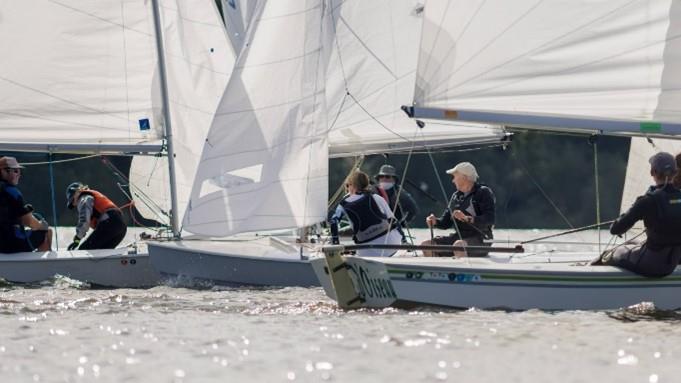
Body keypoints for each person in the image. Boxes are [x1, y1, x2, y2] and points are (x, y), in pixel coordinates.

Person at [591, 152, 681, 277]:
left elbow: (615, 229)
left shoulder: (647, 200)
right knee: (632, 243)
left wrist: (622, 219)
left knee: (610, 254)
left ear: (652, 172)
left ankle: (592, 271)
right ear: (675, 172)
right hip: (671, 264)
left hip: (651, 266)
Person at [421, 162, 495, 258]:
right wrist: (435, 221)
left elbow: (490, 219)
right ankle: (439, 272)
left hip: (481, 238)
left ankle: (464, 272)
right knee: (426, 245)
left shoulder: (483, 192)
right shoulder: (456, 196)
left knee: (458, 246)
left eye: (455, 177)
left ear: (464, 177)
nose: (453, 181)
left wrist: (467, 218)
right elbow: (445, 223)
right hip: (459, 238)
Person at [329, 170, 402, 257]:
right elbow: (394, 221)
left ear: (352, 185)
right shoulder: (376, 197)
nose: (347, 189)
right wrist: (404, 240)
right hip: (392, 245)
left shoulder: (343, 204)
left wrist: (335, 244)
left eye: (347, 185)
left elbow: (333, 221)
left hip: (366, 251)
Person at [0, 156, 52, 253]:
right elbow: (30, 222)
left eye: (19, 171)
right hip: (10, 243)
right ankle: (43, 268)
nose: (19, 174)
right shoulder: (12, 192)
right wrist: (42, 226)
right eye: (15, 171)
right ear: (3, 172)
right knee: (47, 232)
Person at [65, 182, 127, 250]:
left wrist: (77, 238)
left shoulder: (83, 197)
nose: (74, 204)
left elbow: (84, 219)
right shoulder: (90, 195)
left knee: (84, 250)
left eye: (72, 200)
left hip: (110, 224)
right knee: (103, 253)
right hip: (121, 227)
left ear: (77, 192)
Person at [372, 164, 418, 244]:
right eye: (381, 176)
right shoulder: (373, 191)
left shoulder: (400, 193)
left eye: (388, 177)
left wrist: (402, 223)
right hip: (374, 228)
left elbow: (413, 210)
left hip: (394, 229)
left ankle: (403, 242)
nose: (384, 179)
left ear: (394, 179)